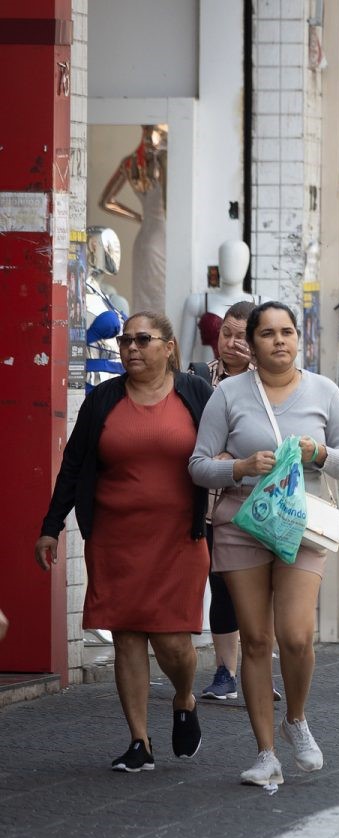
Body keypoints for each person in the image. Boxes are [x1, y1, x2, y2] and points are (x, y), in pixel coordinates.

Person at [190, 301, 339, 786]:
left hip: (303, 526)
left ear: (298, 339)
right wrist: (240, 468)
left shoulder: (324, 392)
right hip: (241, 524)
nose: (279, 341)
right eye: (267, 334)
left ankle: (297, 720)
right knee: (256, 640)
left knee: (295, 635)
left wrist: (321, 452)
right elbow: (198, 465)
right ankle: (265, 753)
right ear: (252, 342)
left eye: (287, 332)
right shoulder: (227, 394)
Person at [37, 312, 214, 772]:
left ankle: (183, 696)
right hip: (115, 539)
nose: (131, 348)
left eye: (142, 339)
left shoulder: (196, 394)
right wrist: (50, 526)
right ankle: (140, 742)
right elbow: (73, 466)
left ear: (169, 346)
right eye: (124, 340)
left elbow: (222, 451)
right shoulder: (102, 401)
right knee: (128, 636)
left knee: (174, 642)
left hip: (179, 538)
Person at [186, 301, 272, 702]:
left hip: (256, 502)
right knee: (219, 585)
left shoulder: (269, 383)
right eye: (226, 334)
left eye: (242, 335)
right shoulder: (196, 377)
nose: (233, 343)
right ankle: (225, 672)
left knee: (259, 590)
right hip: (207, 501)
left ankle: (259, 670)